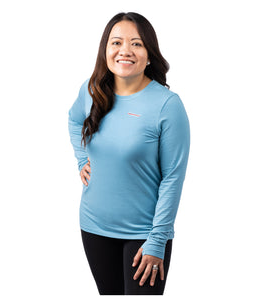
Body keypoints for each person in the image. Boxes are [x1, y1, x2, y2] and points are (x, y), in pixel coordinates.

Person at [68, 12, 190, 295]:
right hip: (94, 226)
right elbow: (74, 120)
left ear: (149, 53)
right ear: (106, 50)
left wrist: (157, 240)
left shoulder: (167, 105)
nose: (125, 51)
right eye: (116, 42)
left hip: (144, 235)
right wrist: (82, 159)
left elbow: (173, 178)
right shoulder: (91, 90)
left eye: (136, 43)